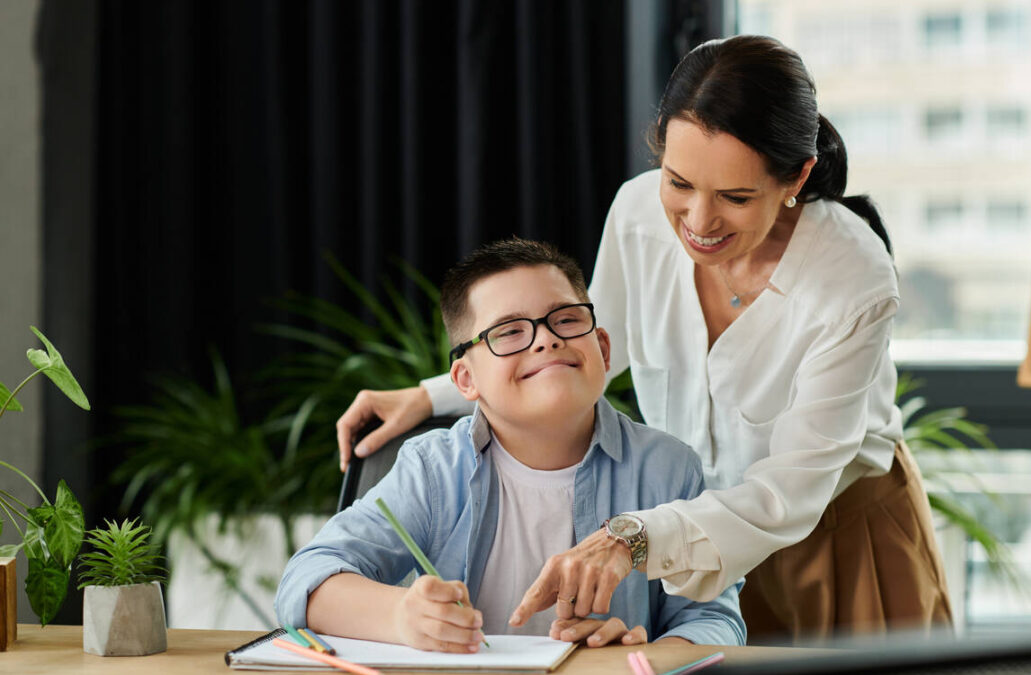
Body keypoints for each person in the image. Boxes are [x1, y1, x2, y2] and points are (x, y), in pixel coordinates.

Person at [335, 35, 952, 644]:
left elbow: (788, 492)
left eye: (735, 197)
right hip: (678, 542)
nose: (699, 222)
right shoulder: (636, 213)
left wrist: (633, 538)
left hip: (829, 533)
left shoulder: (852, 275)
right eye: (679, 182)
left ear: (798, 175)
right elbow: (600, 343)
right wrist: (433, 395)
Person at [279, 239, 746, 652]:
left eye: (566, 319)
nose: (546, 339)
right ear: (465, 379)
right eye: (509, 331)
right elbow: (306, 580)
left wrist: (642, 655)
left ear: (603, 349)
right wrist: (401, 616)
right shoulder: (434, 468)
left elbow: (713, 619)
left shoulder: (667, 468)